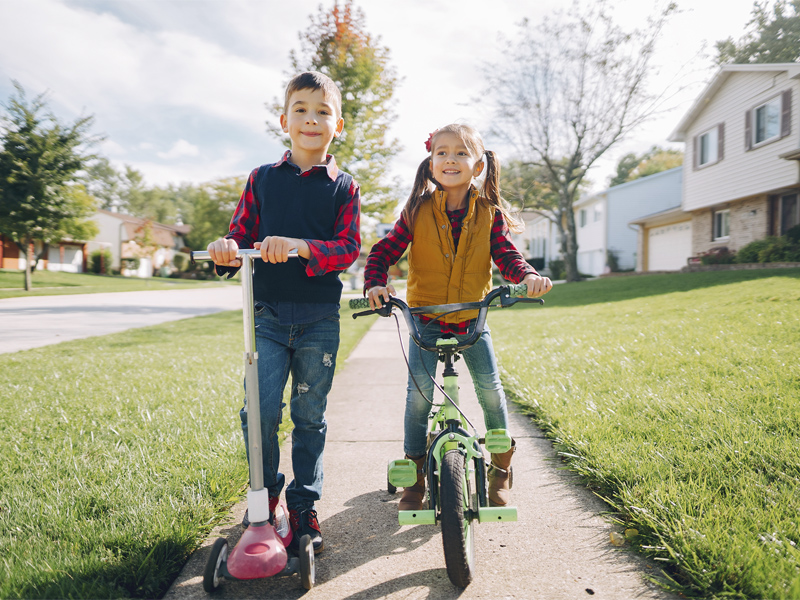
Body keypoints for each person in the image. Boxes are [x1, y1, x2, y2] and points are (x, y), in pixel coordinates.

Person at [207, 71, 361, 554]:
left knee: (309, 414)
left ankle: (303, 505)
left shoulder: (343, 187)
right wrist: (226, 249)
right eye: (301, 110)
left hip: (318, 318)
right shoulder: (262, 179)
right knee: (259, 410)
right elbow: (240, 235)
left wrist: (299, 247)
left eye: (323, 112)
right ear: (284, 120)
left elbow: (348, 247)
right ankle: (267, 492)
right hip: (268, 317)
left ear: (338, 125)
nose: (311, 119)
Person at [363, 123, 551, 510]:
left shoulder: (489, 213)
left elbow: (508, 257)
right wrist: (375, 285)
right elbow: (382, 252)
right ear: (431, 163)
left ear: (478, 165)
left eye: (461, 153)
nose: (450, 159)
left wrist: (527, 277)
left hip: (472, 319)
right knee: (418, 398)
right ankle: (415, 479)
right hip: (425, 319)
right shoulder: (416, 211)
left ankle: (500, 471)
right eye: (442, 152)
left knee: (491, 393)